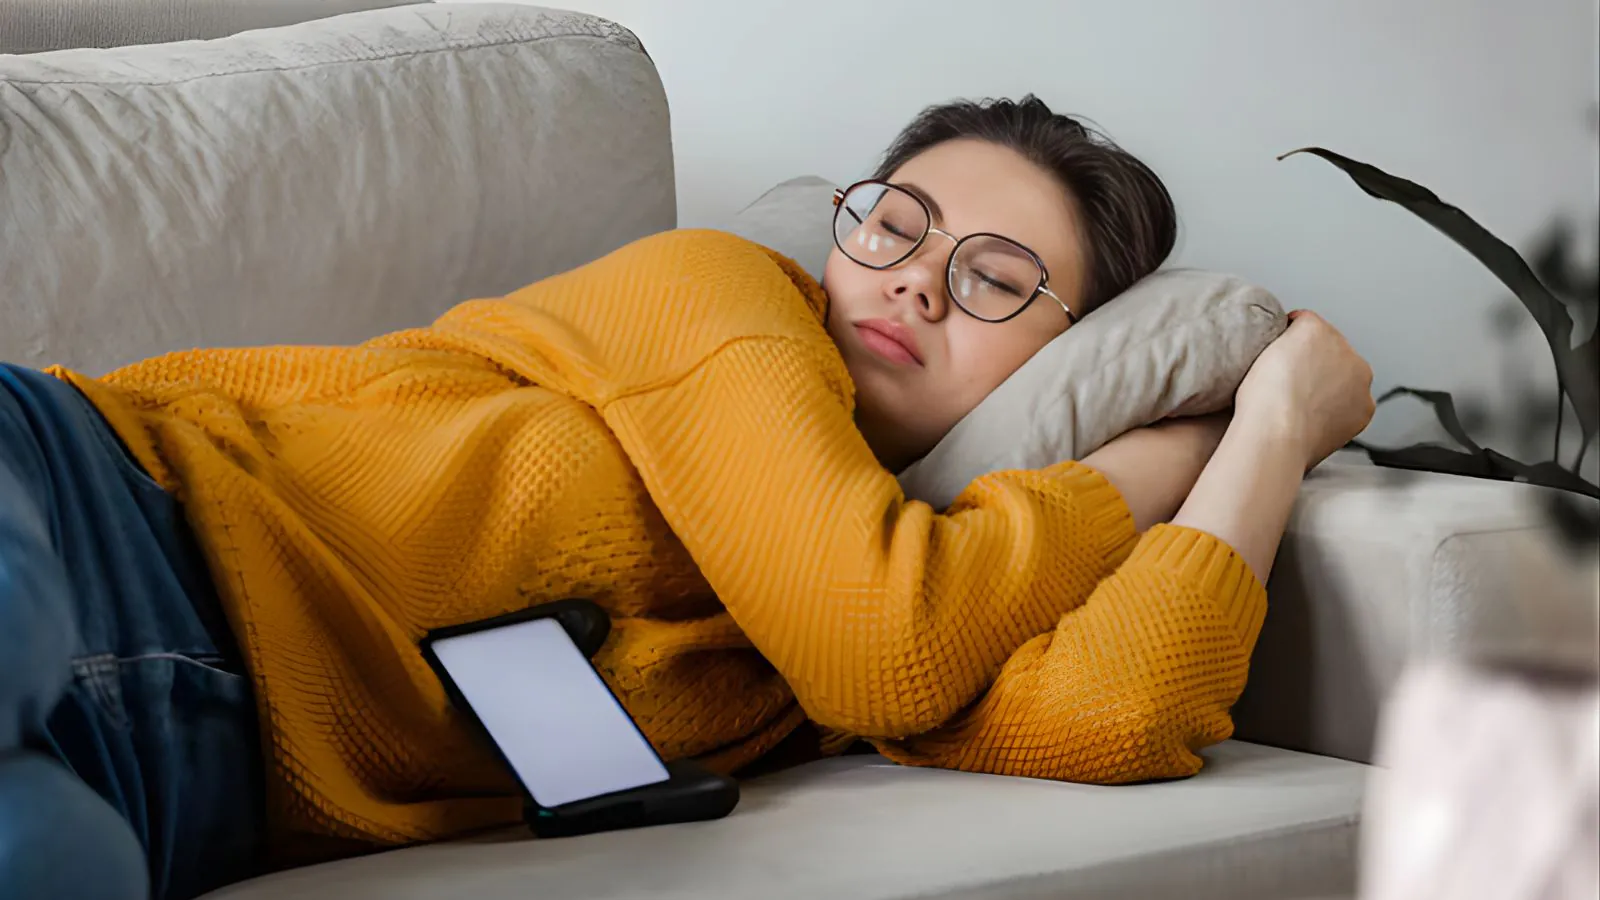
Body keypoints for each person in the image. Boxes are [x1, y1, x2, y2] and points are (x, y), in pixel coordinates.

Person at [0, 95, 1374, 900]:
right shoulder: (722, 296)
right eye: (895, 226)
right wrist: (1144, 470)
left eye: (994, 281)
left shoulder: (924, 577)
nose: (911, 280)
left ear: (1069, 357)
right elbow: (883, 644)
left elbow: (1118, 713)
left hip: (174, 768)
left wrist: (1263, 438)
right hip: (99, 505)